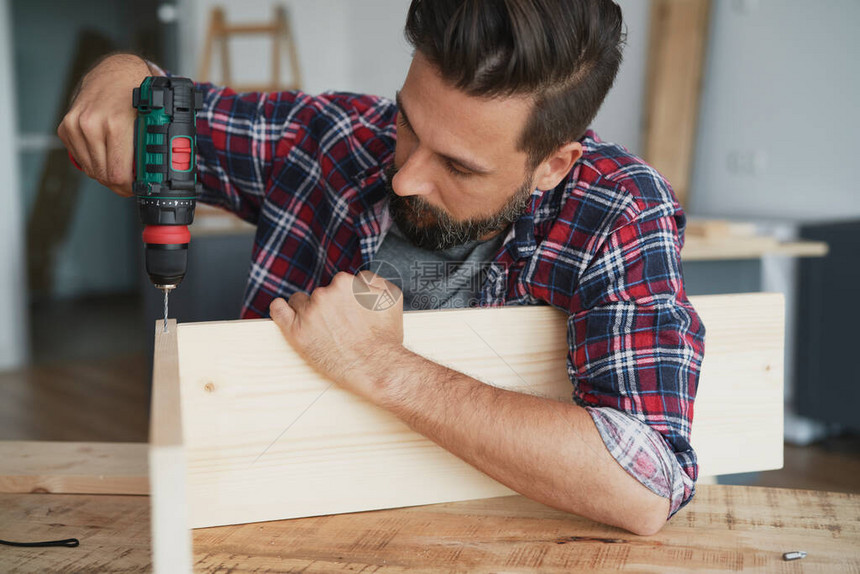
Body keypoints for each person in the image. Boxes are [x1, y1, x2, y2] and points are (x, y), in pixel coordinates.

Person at [58, 0, 704, 535]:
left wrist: (380, 366)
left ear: (553, 165)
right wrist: (118, 74)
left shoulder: (617, 207)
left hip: (499, 540)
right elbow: (159, 103)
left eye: (458, 166)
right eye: (409, 125)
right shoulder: (331, 139)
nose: (406, 177)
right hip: (271, 526)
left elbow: (644, 486)